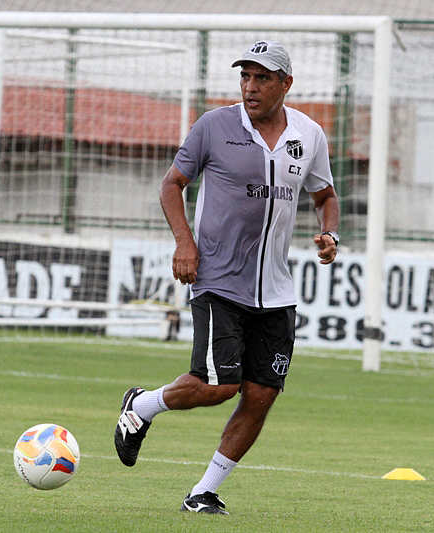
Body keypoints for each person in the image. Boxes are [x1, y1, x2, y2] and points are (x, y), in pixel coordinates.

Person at [114, 40, 340, 515]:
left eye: (262, 78)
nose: (250, 87)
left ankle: (203, 492)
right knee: (219, 386)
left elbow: (324, 195)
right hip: (219, 278)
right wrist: (184, 243)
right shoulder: (214, 126)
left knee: (260, 395)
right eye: (245, 77)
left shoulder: (309, 134)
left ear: (286, 84)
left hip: (277, 290)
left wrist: (329, 233)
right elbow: (172, 184)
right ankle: (143, 405)